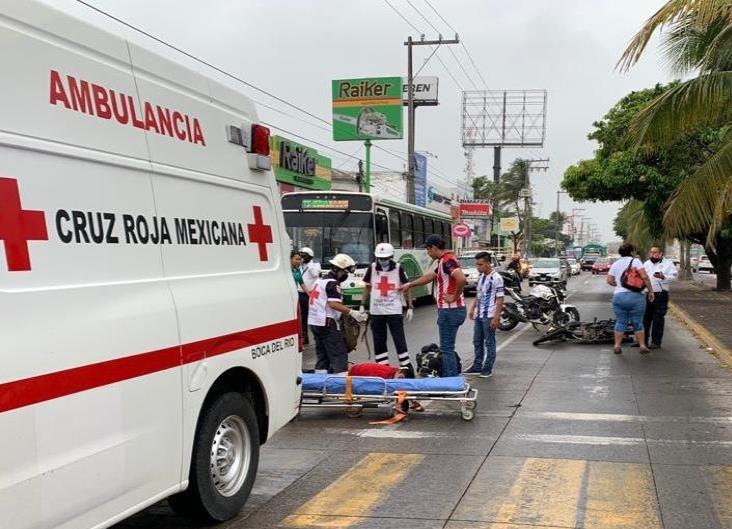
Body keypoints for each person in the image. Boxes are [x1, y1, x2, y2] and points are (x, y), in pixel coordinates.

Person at [401, 234, 466, 377]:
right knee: (447, 347)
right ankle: (452, 378)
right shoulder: (444, 261)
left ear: (434, 248)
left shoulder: (448, 260)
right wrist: (410, 284)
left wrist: (453, 296)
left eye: (428, 250)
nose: (427, 253)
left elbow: (461, 279)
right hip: (453, 311)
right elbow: (431, 276)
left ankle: (451, 381)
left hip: (450, 310)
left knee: (446, 348)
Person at [360, 243, 415, 375]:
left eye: (385, 258)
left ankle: (407, 368)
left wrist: (410, 306)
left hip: (394, 311)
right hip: (376, 311)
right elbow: (367, 286)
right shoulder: (372, 268)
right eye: (380, 258)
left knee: (399, 339)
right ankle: (382, 370)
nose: (382, 260)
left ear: (391, 257)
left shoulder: (398, 268)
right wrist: (362, 304)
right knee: (379, 341)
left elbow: (407, 286)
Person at [307, 254, 367, 373]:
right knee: (339, 355)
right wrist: (352, 313)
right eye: (345, 272)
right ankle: (341, 386)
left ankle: (320, 384)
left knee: (323, 357)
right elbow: (333, 304)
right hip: (327, 323)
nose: (346, 275)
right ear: (337, 269)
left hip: (314, 322)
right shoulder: (332, 283)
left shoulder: (320, 281)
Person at [607, 243, 655, 355]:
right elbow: (645, 277)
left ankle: (617, 345)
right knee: (638, 321)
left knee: (620, 321)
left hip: (619, 297)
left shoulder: (615, 263)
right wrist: (651, 291)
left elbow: (609, 280)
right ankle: (642, 345)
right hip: (636, 297)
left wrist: (619, 285)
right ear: (632, 252)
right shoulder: (636, 261)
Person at [466, 252, 504, 378]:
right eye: (476, 264)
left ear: (488, 263)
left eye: (480, 264)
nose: (478, 267)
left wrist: (496, 317)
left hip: (489, 315)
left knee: (489, 342)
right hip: (480, 314)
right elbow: (479, 294)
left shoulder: (496, 278)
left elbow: (500, 299)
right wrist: (472, 308)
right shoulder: (481, 276)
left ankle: (487, 368)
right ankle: (477, 366)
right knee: (477, 341)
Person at [636, 246, 677, 349]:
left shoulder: (668, 264)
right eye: (651, 252)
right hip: (647, 294)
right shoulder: (647, 264)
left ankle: (656, 342)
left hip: (660, 295)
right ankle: (642, 341)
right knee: (645, 318)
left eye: (655, 252)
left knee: (658, 318)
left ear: (660, 253)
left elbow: (674, 276)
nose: (652, 254)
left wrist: (663, 277)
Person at [298, 247, 321, 345]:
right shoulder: (300, 265)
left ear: (310, 256)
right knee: (302, 317)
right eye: (301, 255)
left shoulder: (315, 265)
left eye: (304, 255)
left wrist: (309, 264)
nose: (302, 257)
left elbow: (315, 274)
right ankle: (305, 338)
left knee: (312, 316)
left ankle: (318, 337)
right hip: (300, 293)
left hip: (310, 294)